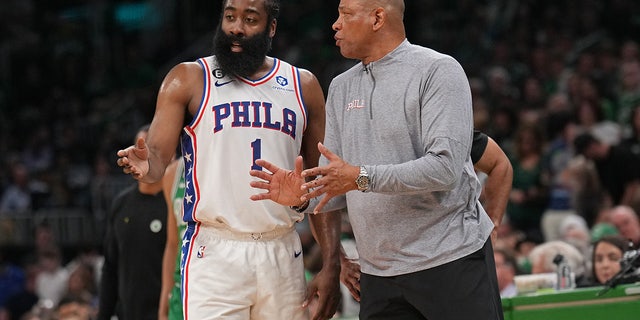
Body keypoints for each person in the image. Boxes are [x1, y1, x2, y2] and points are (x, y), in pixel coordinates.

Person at [249, 1, 503, 319]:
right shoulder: (341, 88)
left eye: (345, 13)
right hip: (378, 275)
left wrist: (361, 177)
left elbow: (445, 168)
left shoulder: (438, 69)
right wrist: (301, 202)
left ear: (377, 17)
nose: (335, 24)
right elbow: (333, 183)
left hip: (449, 260)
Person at [115, 1, 342, 319]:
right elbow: (154, 159)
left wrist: (334, 261)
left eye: (250, 19)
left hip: (282, 248)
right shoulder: (189, 78)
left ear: (271, 28)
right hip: (215, 249)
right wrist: (145, 166)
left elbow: (320, 182)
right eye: (230, 17)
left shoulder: (303, 85)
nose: (237, 27)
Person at [98, 124, 167, 320]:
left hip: (170, 313)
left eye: (150, 150)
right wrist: (103, 315)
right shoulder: (121, 203)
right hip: (128, 314)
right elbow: (110, 266)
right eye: (138, 150)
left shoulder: (179, 203)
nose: (143, 156)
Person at [158, 158, 185, 320]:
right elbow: (173, 243)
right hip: (180, 288)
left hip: (221, 284)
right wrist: (165, 295)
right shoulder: (173, 173)